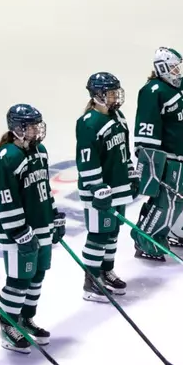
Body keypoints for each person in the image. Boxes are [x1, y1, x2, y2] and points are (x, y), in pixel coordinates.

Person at [0, 104, 59, 351]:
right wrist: (19, 231)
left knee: (37, 275)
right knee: (19, 279)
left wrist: (54, 215)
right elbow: (5, 198)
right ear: (17, 128)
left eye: (37, 124)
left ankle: (26, 318)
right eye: (30, 126)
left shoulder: (40, 151)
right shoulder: (6, 156)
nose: (35, 130)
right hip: (19, 231)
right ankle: (8, 325)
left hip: (41, 224)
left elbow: (44, 188)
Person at [132, 48, 183, 259]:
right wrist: (154, 166)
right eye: (173, 67)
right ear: (161, 67)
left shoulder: (182, 85)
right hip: (169, 159)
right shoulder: (152, 91)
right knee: (167, 201)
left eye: (179, 66)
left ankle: (174, 226)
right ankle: (145, 238)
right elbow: (145, 135)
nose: (177, 71)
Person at [77, 72, 137, 302]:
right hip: (99, 192)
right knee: (98, 235)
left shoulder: (118, 117)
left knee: (112, 232)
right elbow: (86, 160)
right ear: (97, 95)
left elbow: (124, 150)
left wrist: (130, 172)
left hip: (118, 186)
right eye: (110, 93)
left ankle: (105, 270)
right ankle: (91, 281)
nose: (114, 97)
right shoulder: (87, 123)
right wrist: (96, 187)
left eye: (115, 92)